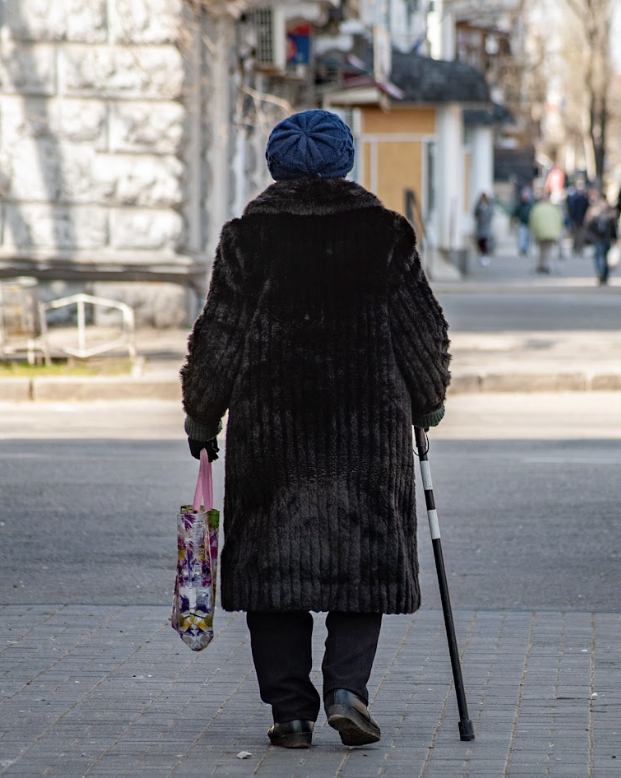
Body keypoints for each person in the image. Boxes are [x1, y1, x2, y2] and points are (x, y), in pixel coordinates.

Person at [180, 109, 451, 750]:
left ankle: (291, 714)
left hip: (272, 434)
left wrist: (202, 410)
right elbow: (422, 329)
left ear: (276, 166)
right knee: (364, 562)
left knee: (274, 571)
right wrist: (428, 400)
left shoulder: (247, 239)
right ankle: (347, 692)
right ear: (345, 162)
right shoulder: (384, 234)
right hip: (367, 431)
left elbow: (219, 333)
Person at [584, 194, 618, 285]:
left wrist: (615, 238)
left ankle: (605, 275)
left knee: (606, 258)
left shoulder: (610, 212)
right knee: (598, 256)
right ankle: (600, 273)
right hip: (597, 238)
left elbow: (613, 226)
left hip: (607, 238)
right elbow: (588, 225)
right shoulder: (594, 211)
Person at [528, 193, 564, 274]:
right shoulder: (553, 209)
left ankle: (541, 265)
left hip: (540, 232)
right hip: (551, 232)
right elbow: (559, 221)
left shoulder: (536, 209)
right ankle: (547, 265)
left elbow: (532, 222)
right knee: (548, 249)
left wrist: (534, 232)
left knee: (541, 249)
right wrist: (557, 232)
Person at [565, 181, 590, 258]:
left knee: (579, 236)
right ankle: (577, 250)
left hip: (579, 220)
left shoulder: (580, 199)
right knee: (578, 236)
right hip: (577, 220)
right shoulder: (577, 198)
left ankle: (578, 250)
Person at [473, 192, 494, 266]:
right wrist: (478, 217)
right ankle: (481, 254)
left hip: (486, 226)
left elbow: (490, 214)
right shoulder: (478, 205)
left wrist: (485, 218)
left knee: (485, 241)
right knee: (480, 241)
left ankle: (484, 255)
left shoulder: (488, 206)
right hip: (480, 226)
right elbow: (475, 213)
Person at [513, 186, 534, 257]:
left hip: (529, 223)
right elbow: (516, 213)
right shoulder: (520, 205)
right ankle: (522, 249)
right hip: (522, 223)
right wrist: (515, 220)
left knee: (527, 237)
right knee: (522, 236)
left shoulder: (530, 205)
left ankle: (526, 249)